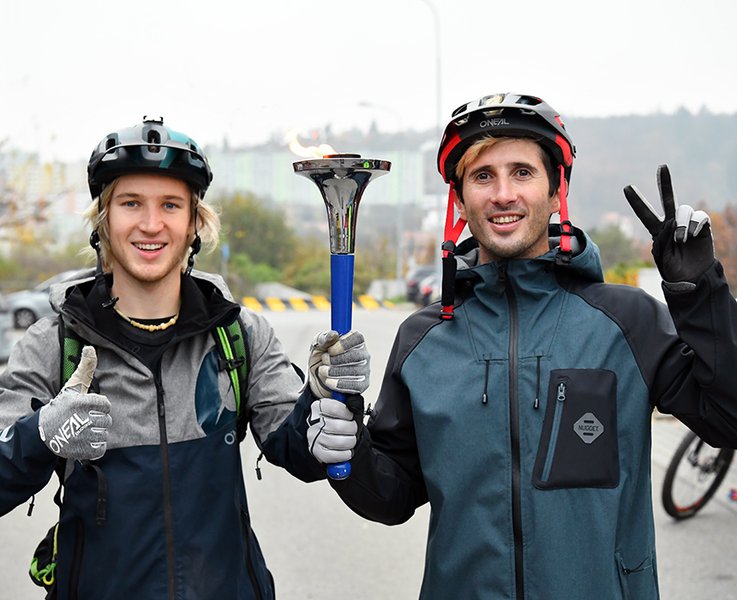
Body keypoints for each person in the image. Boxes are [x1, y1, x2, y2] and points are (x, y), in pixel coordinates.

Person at [306, 92, 737, 599]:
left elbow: (727, 418)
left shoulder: (627, 321)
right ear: (460, 201)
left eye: (523, 172)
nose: (503, 193)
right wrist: (348, 452)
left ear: (556, 192)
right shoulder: (423, 338)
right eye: (483, 175)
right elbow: (393, 495)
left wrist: (700, 294)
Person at [0, 116, 369, 600]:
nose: (151, 224)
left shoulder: (239, 334)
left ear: (194, 222)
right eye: (131, 203)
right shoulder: (53, 344)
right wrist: (42, 436)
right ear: (104, 220)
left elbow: (296, 447)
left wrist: (325, 402)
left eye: (170, 205)